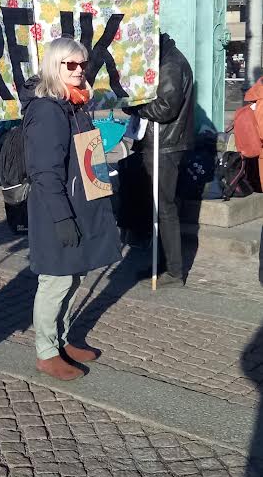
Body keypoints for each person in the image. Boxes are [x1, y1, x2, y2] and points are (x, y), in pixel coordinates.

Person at [21, 37, 122, 381]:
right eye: (71, 65)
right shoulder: (48, 110)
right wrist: (62, 218)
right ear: (55, 66)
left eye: (83, 65)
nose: (79, 71)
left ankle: (61, 340)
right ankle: (46, 352)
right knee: (56, 280)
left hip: (81, 204)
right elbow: (45, 172)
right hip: (58, 210)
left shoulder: (75, 105)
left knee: (75, 274)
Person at [125, 32, 194, 287]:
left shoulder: (171, 64)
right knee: (159, 206)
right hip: (160, 143)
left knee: (164, 207)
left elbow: (165, 108)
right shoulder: (167, 60)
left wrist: (135, 107)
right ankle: (161, 263)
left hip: (164, 145)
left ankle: (174, 271)